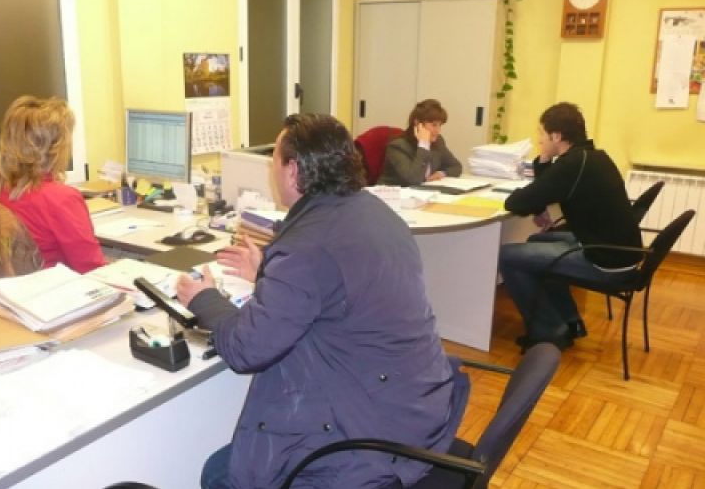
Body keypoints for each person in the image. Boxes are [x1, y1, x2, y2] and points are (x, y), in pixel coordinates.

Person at [177, 113, 467, 489]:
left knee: (219, 473)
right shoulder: (372, 211)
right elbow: (335, 287)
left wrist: (205, 299)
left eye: (275, 161)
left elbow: (247, 350)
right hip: (414, 403)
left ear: (294, 171)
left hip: (369, 436)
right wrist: (267, 272)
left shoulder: (307, 246)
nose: (273, 171)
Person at [499, 102, 642, 350]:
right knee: (535, 243)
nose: (539, 139)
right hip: (620, 252)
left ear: (556, 136)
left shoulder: (572, 165)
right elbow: (547, 189)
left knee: (507, 256)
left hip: (605, 261)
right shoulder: (592, 157)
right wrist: (544, 158)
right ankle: (570, 321)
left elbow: (518, 202)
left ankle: (549, 331)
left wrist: (541, 173)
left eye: (542, 134)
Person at [0, 96, 105, 274]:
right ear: (56, 148)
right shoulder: (61, 198)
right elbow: (91, 267)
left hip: (9, 293)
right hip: (51, 293)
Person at [377, 99, 462, 186]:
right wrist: (423, 145)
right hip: (391, 195)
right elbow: (414, 180)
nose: (438, 130)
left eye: (440, 125)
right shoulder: (397, 147)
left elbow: (456, 167)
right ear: (418, 123)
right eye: (434, 125)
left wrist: (442, 173)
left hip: (422, 193)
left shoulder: (438, 142)